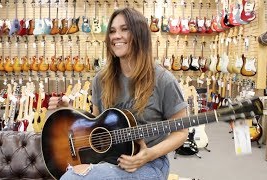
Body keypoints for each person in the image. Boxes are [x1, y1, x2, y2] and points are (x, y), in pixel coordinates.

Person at [60, 7, 188, 180]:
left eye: (124, 29)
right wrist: (69, 112)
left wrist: (148, 154)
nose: (116, 36)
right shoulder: (101, 79)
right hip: (108, 160)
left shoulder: (164, 80)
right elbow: (95, 126)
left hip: (150, 163)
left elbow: (181, 132)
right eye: (112, 31)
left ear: (139, 35)